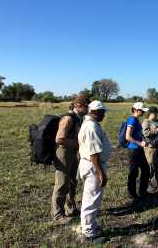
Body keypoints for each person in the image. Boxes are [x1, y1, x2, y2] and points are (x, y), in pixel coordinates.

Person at [51, 94, 90, 224]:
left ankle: (70, 208)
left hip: (73, 153)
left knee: (72, 182)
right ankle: (57, 215)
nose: (88, 109)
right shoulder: (68, 119)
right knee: (62, 184)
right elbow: (59, 139)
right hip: (63, 154)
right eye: (86, 107)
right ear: (78, 106)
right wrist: (78, 143)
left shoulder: (78, 118)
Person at [78, 100, 111, 243]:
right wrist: (100, 172)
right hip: (93, 166)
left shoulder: (89, 124)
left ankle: (91, 226)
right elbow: (93, 153)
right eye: (102, 112)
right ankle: (89, 233)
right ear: (95, 112)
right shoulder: (91, 127)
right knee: (91, 200)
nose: (104, 115)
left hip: (90, 164)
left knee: (91, 198)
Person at [125, 102, 151, 199]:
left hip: (138, 150)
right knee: (133, 172)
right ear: (136, 110)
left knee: (145, 169)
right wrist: (140, 143)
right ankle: (132, 194)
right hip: (133, 150)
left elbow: (136, 134)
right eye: (142, 111)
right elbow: (128, 136)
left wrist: (143, 141)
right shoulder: (132, 120)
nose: (143, 113)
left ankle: (142, 192)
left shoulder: (136, 120)